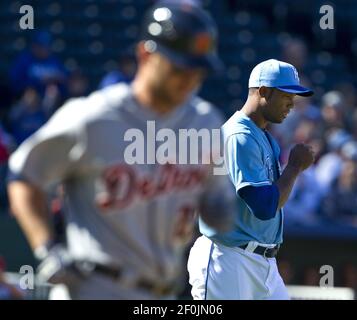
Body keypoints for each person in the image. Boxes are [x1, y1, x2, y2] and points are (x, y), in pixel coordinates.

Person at [7, 1, 235, 300]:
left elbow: (217, 202)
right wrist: (46, 248)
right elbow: (24, 175)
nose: (189, 79)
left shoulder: (206, 123)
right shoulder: (95, 117)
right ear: (145, 54)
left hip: (164, 292)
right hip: (95, 286)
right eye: (179, 68)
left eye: (198, 71)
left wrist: (220, 205)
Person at [187, 59, 315, 300]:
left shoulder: (263, 137)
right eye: (287, 95)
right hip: (229, 258)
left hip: (261, 260)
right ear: (264, 91)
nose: (292, 104)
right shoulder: (239, 136)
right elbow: (264, 206)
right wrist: (295, 166)